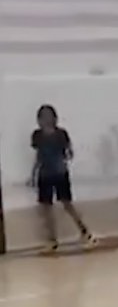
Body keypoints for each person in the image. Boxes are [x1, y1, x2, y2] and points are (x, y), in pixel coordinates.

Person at [30, 105, 96, 253]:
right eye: (43, 117)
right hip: (44, 174)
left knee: (67, 204)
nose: (46, 120)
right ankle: (51, 240)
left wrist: (67, 155)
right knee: (46, 208)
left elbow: (69, 151)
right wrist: (33, 174)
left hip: (60, 173)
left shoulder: (61, 134)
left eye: (48, 116)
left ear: (54, 118)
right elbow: (38, 156)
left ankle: (85, 232)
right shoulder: (37, 135)